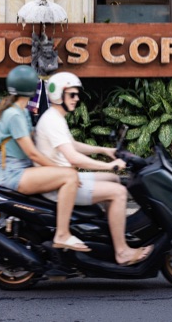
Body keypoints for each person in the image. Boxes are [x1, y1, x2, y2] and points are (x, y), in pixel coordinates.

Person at [35, 72, 154, 266]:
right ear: (59, 96)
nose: (77, 98)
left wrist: (104, 150)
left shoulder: (55, 117)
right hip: (60, 188)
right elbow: (73, 158)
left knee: (113, 180)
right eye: (72, 94)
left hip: (65, 180)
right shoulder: (52, 120)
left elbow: (72, 145)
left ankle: (111, 235)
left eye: (76, 94)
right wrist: (109, 165)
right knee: (119, 193)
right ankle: (122, 252)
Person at [0, 65, 90, 252]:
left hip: (20, 170)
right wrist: (61, 170)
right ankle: (62, 234)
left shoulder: (21, 111)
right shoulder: (15, 115)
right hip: (14, 174)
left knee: (68, 175)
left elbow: (37, 143)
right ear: (32, 87)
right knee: (69, 177)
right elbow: (32, 153)